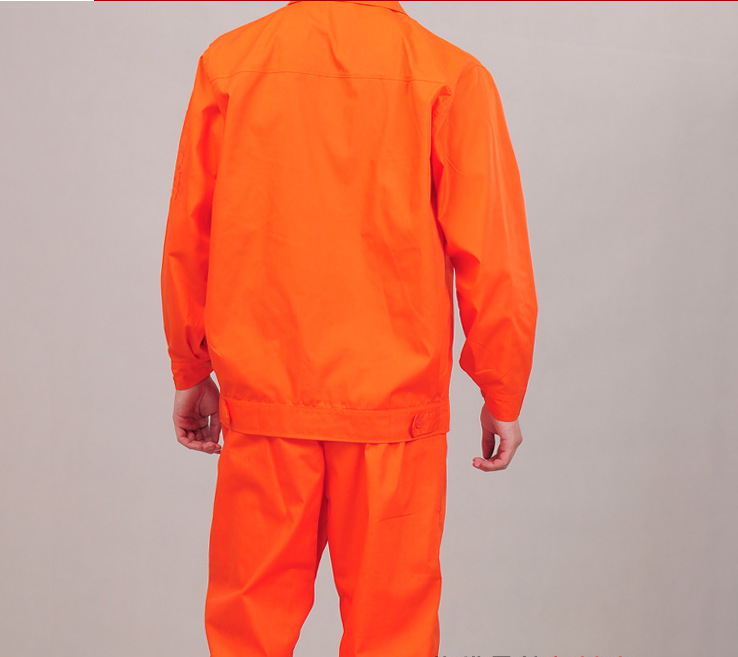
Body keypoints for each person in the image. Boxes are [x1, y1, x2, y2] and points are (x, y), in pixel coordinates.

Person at [160, 1, 538, 655]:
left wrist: (191, 366)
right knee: (392, 636)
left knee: (247, 633)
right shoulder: (449, 75)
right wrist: (501, 390)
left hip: (268, 403)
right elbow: (492, 253)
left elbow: (191, 230)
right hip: (394, 414)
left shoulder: (230, 65)